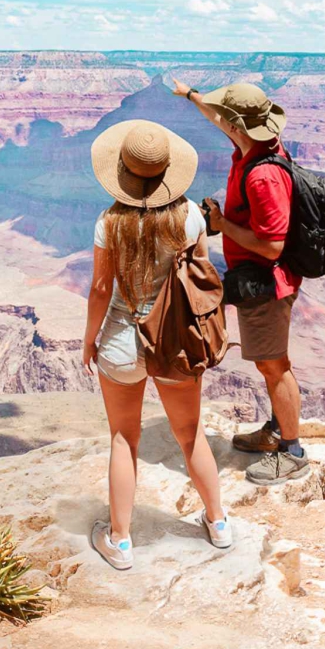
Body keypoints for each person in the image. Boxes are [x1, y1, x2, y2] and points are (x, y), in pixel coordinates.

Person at [83, 119, 233, 570]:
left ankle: (120, 542)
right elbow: (198, 280)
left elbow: (101, 289)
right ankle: (218, 523)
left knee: (123, 439)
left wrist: (89, 341)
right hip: (175, 341)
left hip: (121, 341)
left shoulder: (110, 222)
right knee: (190, 434)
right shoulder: (190, 218)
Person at [173, 79, 308, 486]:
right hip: (257, 279)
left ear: (238, 125)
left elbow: (273, 245)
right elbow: (219, 119)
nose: (222, 123)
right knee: (270, 363)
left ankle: (292, 452)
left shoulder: (261, 175)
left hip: (268, 284)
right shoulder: (256, 145)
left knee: (273, 365)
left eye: (227, 119)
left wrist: (220, 224)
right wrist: (191, 95)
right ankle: (276, 429)